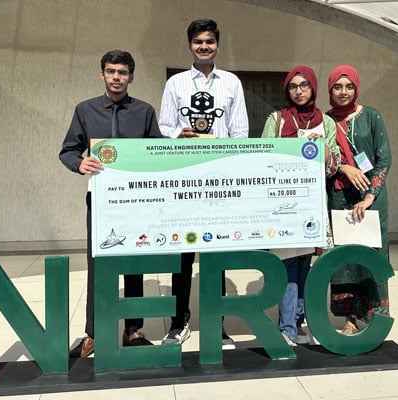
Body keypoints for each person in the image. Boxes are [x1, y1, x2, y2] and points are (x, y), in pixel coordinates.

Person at [59, 50, 165, 358]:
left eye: (122, 72)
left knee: (134, 263)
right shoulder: (85, 110)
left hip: (135, 201)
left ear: (131, 76)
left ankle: (133, 330)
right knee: (98, 263)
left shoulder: (144, 112)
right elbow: (67, 151)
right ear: (102, 75)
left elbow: (156, 151)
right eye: (110, 71)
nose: (116, 76)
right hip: (101, 201)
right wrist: (80, 164)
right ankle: (94, 333)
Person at [158, 19, 248, 349]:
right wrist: (177, 134)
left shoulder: (231, 83)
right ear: (189, 46)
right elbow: (164, 127)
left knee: (215, 254)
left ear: (218, 46)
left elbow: (240, 132)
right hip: (185, 177)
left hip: (219, 179)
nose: (204, 46)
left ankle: (216, 321)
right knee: (182, 254)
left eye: (209, 41)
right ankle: (178, 322)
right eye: (198, 42)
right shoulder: (176, 84)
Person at [261, 65, 339, 346]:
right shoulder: (277, 119)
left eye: (304, 85)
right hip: (282, 202)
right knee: (286, 263)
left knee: (306, 262)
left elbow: (334, 166)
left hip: (312, 202)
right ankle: (287, 327)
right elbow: (263, 157)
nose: (298, 91)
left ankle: (299, 321)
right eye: (293, 86)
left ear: (313, 87)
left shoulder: (326, 123)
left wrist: (324, 149)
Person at [325, 65, 392, 335]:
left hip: (370, 198)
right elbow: (323, 156)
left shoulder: (371, 116)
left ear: (356, 88)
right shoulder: (327, 121)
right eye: (337, 87)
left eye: (348, 86)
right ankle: (350, 319)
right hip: (340, 196)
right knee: (344, 260)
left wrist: (368, 196)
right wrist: (343, 168)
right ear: (330, 90)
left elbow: (383, 158)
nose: (343, 92)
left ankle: (377, 317)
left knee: (372, 256)